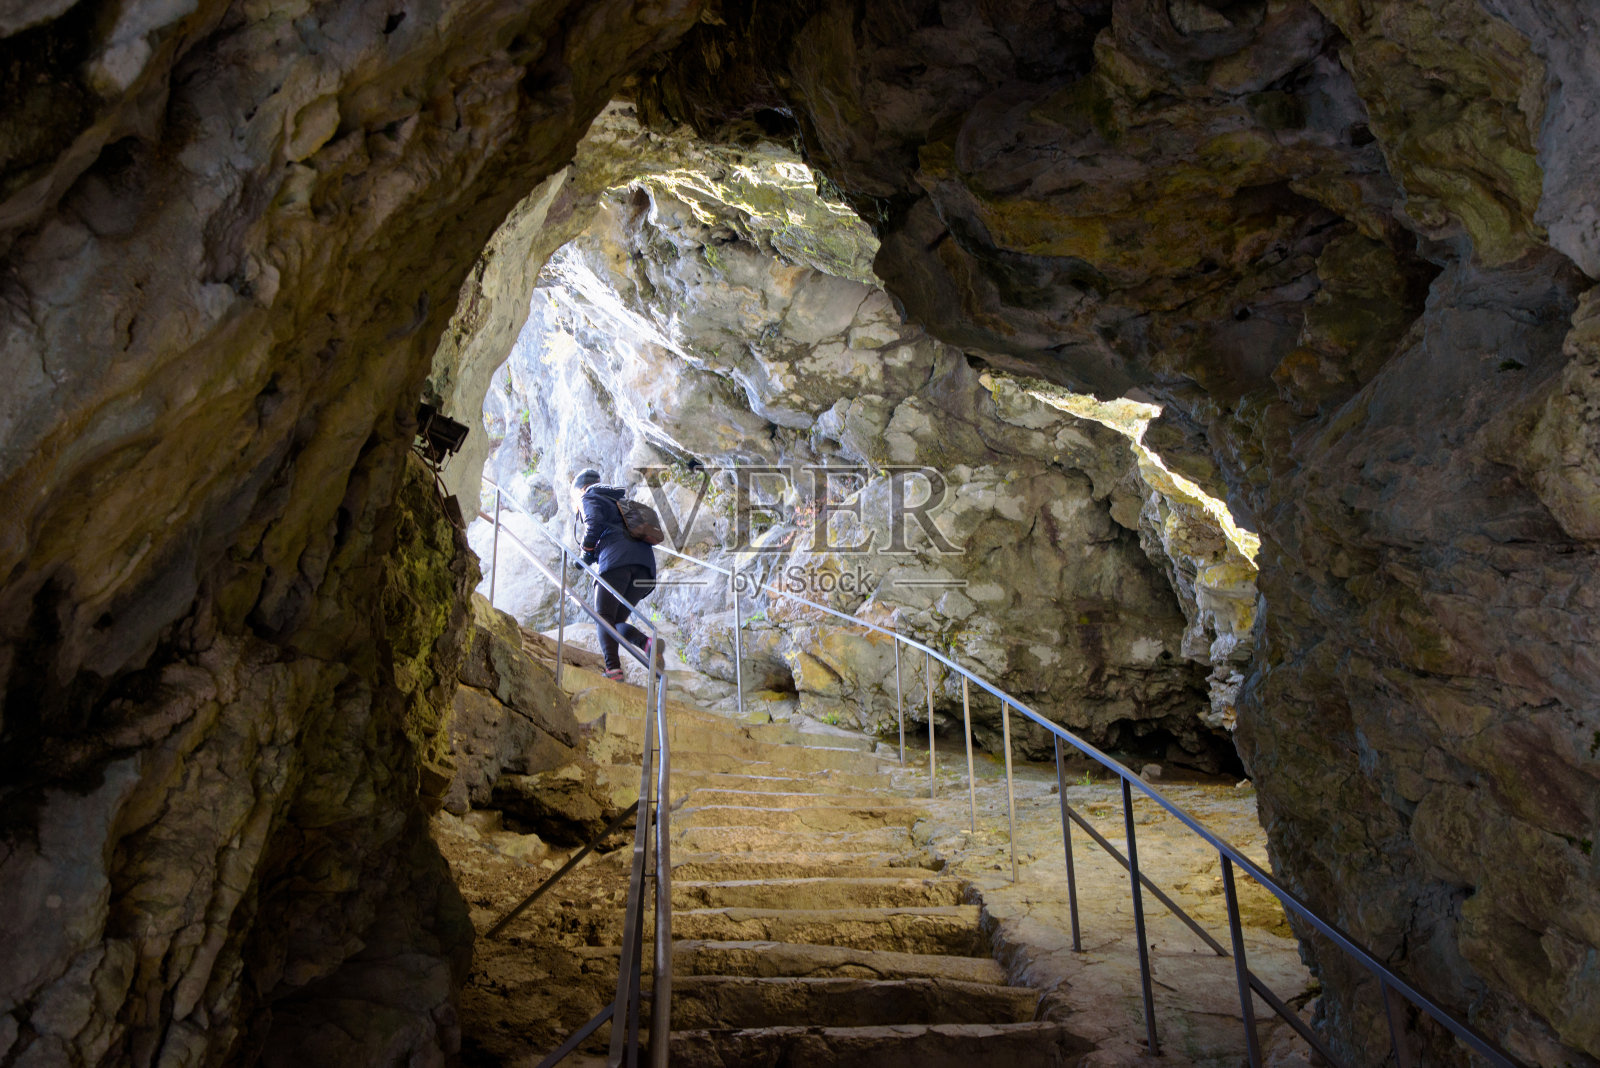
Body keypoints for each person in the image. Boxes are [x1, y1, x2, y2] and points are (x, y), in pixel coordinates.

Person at [571, 468, 663, 680]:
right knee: (616, 620)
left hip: (617, 563)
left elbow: (593, 524)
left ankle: (613, 669)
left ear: (581, 488)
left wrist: (585, 553)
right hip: (644, 566)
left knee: (602, 616)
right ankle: (646, 644)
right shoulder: (619, 500)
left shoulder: (590, 495)